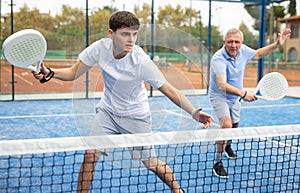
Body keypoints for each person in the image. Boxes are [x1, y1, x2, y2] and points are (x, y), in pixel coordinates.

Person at [32, 11, 213, 193]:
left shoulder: (141, 61)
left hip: (136, 116)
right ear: (111, 34)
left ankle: (177, 190)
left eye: (134, 34)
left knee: (150, 163)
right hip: (108, 113)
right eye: (125, 34)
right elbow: (74, 72)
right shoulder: (99, 48)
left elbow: (168, 89)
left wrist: (193, 113)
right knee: (90, 155)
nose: (131, 39)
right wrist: (50, 72)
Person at [208, 28, 291, 178]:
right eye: (230, 42)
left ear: (241, 43)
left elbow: (258, 54)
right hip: (219, 96)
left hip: (235, 97)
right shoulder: (218, 59)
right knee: (226, 125)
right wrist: (244, 93)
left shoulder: (243, 51)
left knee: (235, 125)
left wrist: (277, 44)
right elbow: (221, 85)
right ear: (224, 43)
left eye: (237, 42)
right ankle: (217, 162)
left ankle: (227, 146)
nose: (233, 45)